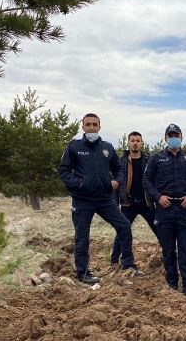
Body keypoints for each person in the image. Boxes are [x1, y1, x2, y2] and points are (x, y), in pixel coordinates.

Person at [57, 113, 138, 284]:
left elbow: (119, 169)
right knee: (82, 236)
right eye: (88, 124)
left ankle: (128, 265)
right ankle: (83, 272)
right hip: (82, 200)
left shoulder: (107, 148)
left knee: (124, 226)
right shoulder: (74, 147)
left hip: (105, 199)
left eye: (95, 124)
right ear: (83, 127)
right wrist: (78, 184)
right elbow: (63, 171)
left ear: (99, 127)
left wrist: (116, 182)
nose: (92, 127)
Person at [143, 124, 186, 299]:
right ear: (165, 138)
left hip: (184, 210)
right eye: (170, 135)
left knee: (185, 249)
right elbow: (146, 180)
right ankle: (171, 284)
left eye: (176, 135)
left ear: (182, 137)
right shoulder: (157, 158)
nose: (173, 137)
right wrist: (158, 197)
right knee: (168, 250)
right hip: (164, 210)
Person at [111, 131, 154, 271]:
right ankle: (114, 261)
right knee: (122, 231)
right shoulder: (120, 161)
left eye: (137, 140)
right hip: (127, 203)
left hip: (146, 202)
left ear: (142, 143)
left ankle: (169, 256)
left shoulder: (149, 160)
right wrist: (114, 203)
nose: (135, 143)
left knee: (160, 229)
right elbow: (116, 183)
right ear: (128, 143)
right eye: (132, 140)